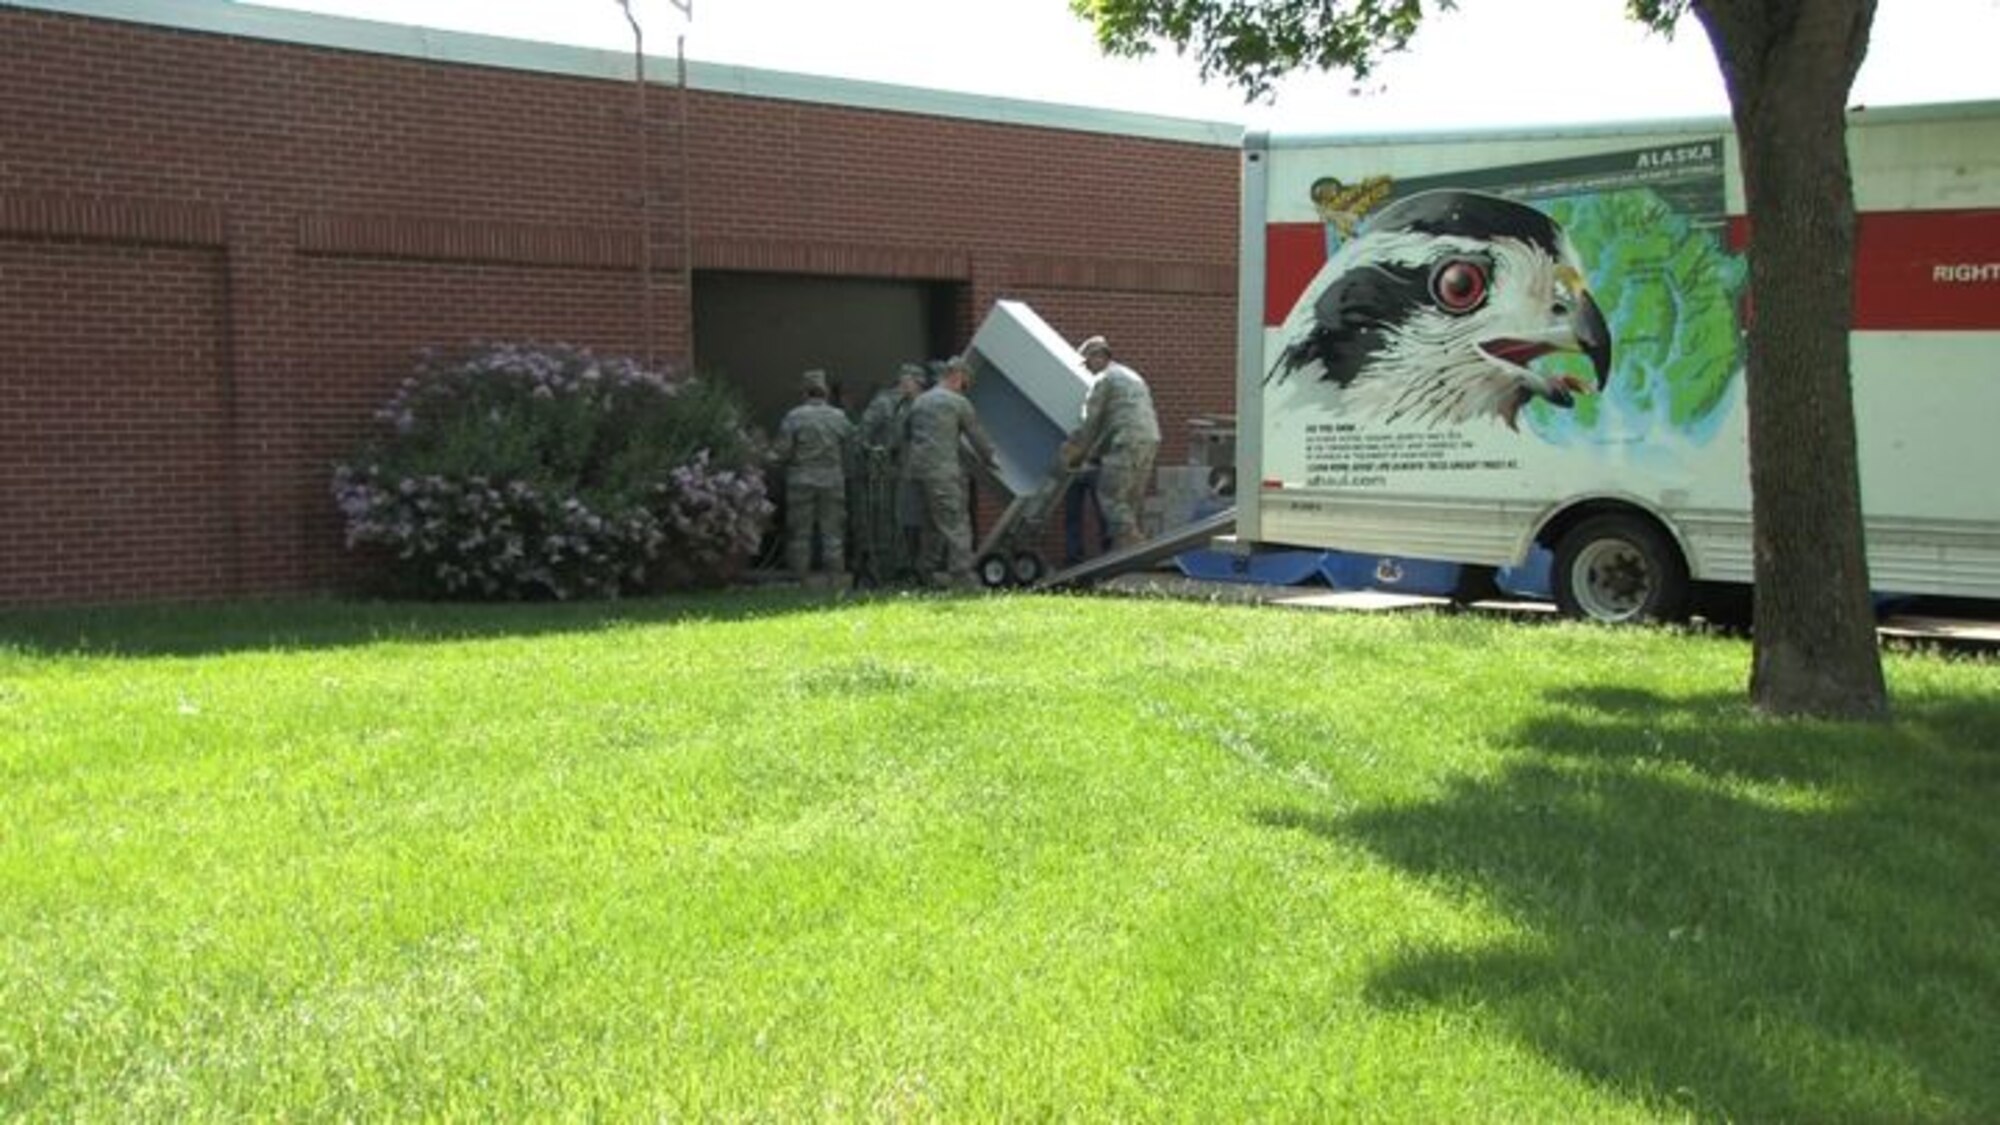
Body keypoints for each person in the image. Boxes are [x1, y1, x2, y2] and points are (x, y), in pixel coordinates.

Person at [904, 354, 998, 588]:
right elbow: (977, 437)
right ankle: (962, 577)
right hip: (943, 474)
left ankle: (923, 574)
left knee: (931, 526)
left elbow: (906, 434)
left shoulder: (920, 401)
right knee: (956, 524)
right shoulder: (957, 403)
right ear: (957, 376)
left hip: (917, 474)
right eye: (964, 382)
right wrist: (991, 459)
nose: (964, 387)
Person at [1064, 335, 1161, 550]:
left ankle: (1134, 547)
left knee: (1110, 496)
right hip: (1150, 439)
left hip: (1126, 441)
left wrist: (1076, 454)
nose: (1087, 369)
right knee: (1131, 501)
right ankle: (1131, 547)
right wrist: (1095, 452)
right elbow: (1115, 419)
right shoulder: (1132, 375)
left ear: (1098, 357)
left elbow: (1089, 422)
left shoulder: (1103, 379)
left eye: (1087, 363)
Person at [772, 368, 855, 587]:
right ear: (825, 392)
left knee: (800, 532)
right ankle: (835, 580)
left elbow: (783, 452)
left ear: (805, 392)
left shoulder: (794, 417)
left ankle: (801, 579)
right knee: (833, 531)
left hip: (801, 479)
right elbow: (852, 444)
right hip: (832, 479)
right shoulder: (838, 417)